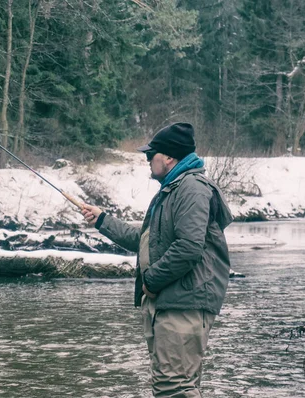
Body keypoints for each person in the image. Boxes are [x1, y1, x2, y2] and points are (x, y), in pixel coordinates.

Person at [81, 122, 233, 398]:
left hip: (184, 304)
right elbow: (146, 241)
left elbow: (189, 247)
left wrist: (150, 281)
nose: (148, 161)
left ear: (169, 157)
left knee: (174, 388)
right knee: (175, 386)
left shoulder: (192, 189)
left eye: (152, 155)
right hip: (171, 303)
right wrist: (102, 220)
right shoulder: (172, 190)